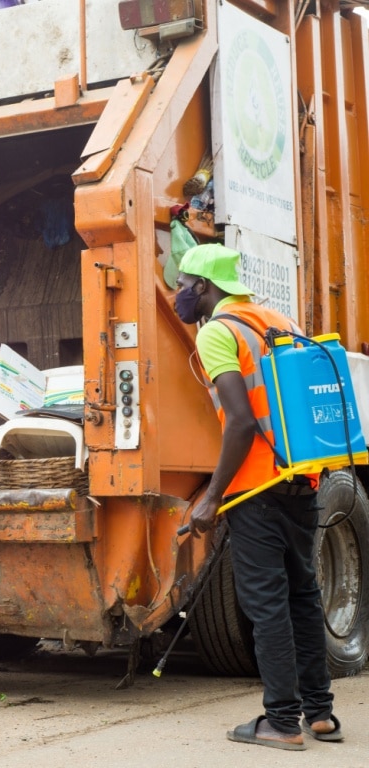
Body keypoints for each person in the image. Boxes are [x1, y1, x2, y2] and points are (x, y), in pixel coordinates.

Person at [176, 243, 341, 750]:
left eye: (184, 284)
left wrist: (211, 498)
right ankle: (319, 714)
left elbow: (242, 421)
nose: (180, 294)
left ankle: (282, 721)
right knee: (303, 595)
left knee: (266, 603)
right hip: (300, 481)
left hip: (257, 488)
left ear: (204, 287)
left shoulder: (217, 334)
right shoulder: (275, 318)